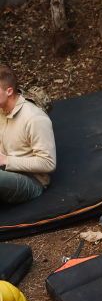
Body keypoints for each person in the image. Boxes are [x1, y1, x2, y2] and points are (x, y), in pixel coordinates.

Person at [0, 65, 57, 205]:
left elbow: (48, 163)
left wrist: (6, 160)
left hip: (31, 181)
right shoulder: (1, 110)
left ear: (9, 91)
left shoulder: (35, 118)